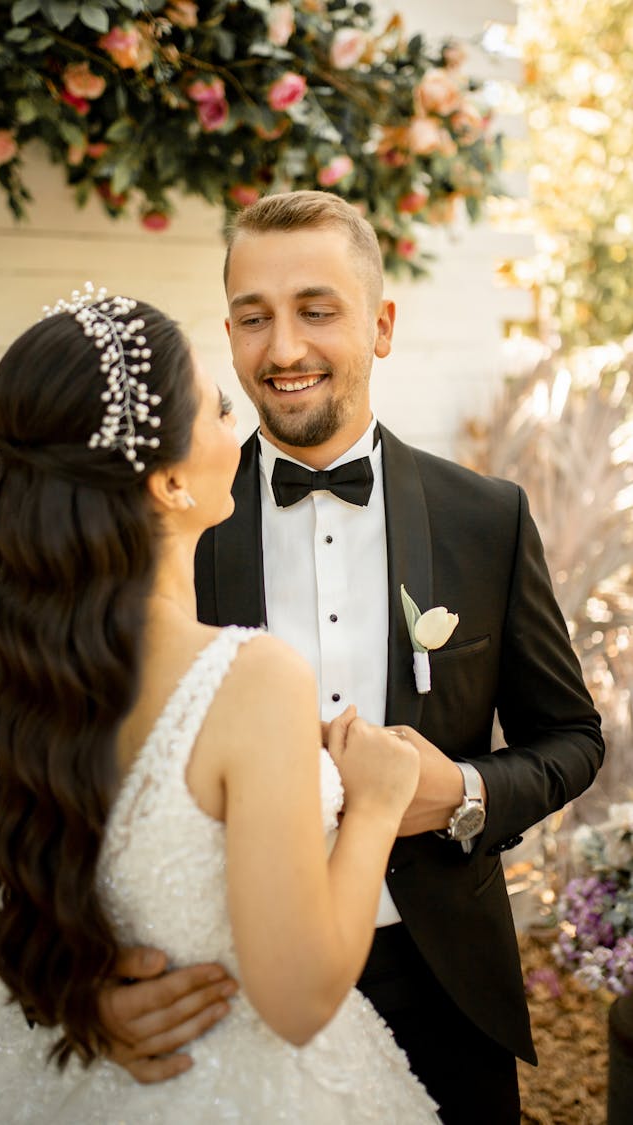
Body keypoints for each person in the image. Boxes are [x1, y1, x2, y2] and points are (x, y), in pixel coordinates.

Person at [97, 192, 605, 1124]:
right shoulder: (177, 522)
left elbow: (571, 736)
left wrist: (464, 791)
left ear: (381, 325)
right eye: (255, 317)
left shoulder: (486, 518)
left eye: (317, 310)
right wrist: (88, 977)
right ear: (231, 331)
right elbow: (88, 777)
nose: (283, 348)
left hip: (445, 974)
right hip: (229, 996)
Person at [0, 285, 441, 1123]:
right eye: (218, 407)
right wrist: (377, 802)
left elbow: (58, 879)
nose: (238, 422)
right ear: (171, 481)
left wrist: (84, 998)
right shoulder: (252, 676)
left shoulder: (45, 671)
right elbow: (295, 1002)